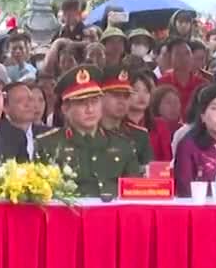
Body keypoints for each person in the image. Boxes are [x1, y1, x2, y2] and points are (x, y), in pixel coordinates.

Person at [35, 65, 140, 197]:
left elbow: (135, 192)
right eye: (81, 103)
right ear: (65, 109)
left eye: (94, 101)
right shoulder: (47, 145)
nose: (90, 109)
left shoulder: (122, 144)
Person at [98, 67, 152, 165]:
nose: (122, 101)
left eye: (126, 96)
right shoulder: (86, 133)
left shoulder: (140, 136)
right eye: (116, 95)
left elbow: (148, 173)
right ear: (100, 97)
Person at [158, 37, 207, 111]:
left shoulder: (202, 84)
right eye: (178, 54)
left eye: (187, 53)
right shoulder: (162, 83)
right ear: (170, 58)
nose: (184, 58)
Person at [4, 81, 48, 159]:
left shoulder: (48, 134)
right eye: (20, 100)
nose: (28, 104)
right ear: (5, 107)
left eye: (30, 99)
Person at [148, 84, 183, 162]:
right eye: (168, 102)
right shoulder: (151, 129)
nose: (174, 106)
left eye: (176, 102)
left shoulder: (184, 131)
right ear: (157, 105)